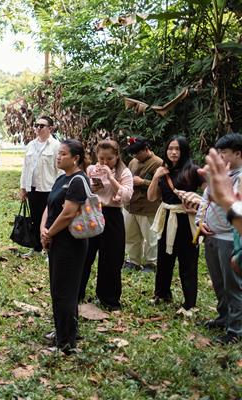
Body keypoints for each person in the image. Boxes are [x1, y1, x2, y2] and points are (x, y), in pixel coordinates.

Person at [40, 139, 90, 354]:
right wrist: (44, 229)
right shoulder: (62, 178)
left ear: (76, 158)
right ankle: (63, 330)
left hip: (71, 242)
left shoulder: (78, 180)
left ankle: (66, 342)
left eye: (62, 154)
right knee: (58, 289)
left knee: (65, 292)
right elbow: (50, 205)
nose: (58, 157)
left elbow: (69, 213)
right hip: (55, 240)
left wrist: (49, 233)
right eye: (58, 154)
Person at [148, 135, 205, 310]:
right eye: (170, 148)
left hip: (186, 220)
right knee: (164, 259)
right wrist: (156, 176)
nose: (173, 152)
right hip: (166, 218)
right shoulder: (163, 171)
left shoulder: (194, 170)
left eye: (177, 149)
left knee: (188, 262)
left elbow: (210, 195)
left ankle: (189, 303)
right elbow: (151, 197)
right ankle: (161, 294)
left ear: (184, 151)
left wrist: (199, 209)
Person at [196, 133, 242, 344]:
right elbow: (205, 200)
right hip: (211, 235)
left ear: (238, 154)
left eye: (224, 153)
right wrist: (199, 222)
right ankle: (224, 317)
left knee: (233, 285)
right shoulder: (220, 175)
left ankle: (236, 330)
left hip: (229, 238)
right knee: (218, 282)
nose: (220, 157)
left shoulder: (239, 178)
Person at [78, 140, 133, 311]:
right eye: (101, 158)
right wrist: (92, 187)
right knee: (85, 255)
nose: (104, 163)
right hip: (93, 212)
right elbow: (85, 191)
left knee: (111, 258)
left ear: (117, 156)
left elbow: (126, 196)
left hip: (113, 215)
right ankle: (77, 293)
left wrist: (110, 177)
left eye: (109, 159)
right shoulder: (91, 170)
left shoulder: (124, 172)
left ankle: (108, 298)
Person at [20, 115, 61, 253]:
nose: (38, 128)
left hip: (49, 188)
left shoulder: (56, 146)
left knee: (49, 219)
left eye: (41, 126)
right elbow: (25, 168)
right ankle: (36, 246)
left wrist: (59, 189)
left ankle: (48, 248)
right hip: (32, 187)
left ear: (50, 128)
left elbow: (60, 169)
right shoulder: (31, 145)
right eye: (36, 125)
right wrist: (23, 188)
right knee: (34, 218)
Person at [123, 136, 164, 272]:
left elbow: (162, 186)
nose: (135, 156)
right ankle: (133, 261)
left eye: (137, 153)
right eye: (132, 153)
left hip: (148, 206)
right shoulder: (133, 162)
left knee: (150, 237)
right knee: (131, 235)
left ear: (146, 149)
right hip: (131, 205)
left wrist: (143, 182)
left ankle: (151, 263)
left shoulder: (158, 163)